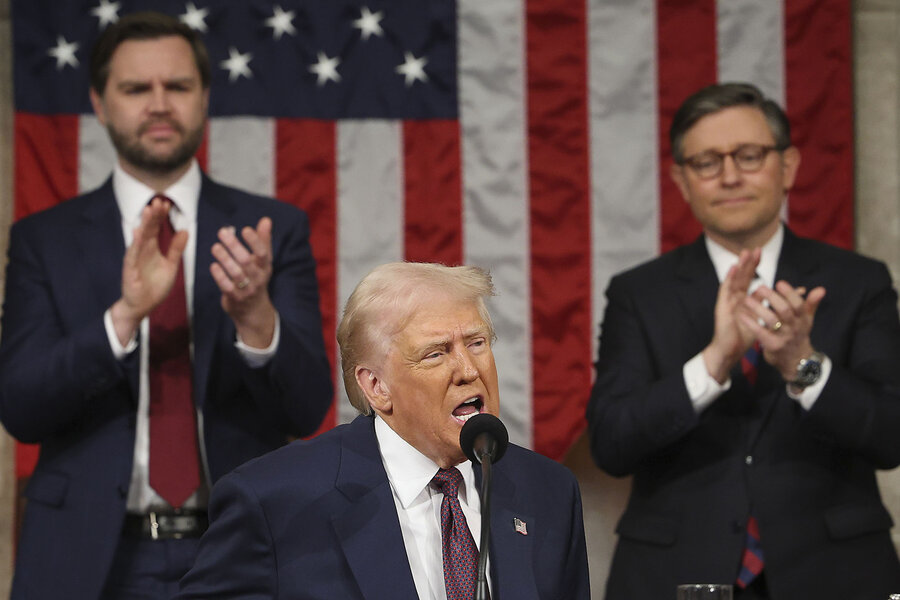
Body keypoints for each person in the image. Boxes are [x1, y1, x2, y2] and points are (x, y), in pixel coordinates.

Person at [0, 11, 333, 600]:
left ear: (204, 97)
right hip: (85, 559)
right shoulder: (42, 241)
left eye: (177, 86)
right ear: (100, 104)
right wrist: (123, 316)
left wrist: (256, 319)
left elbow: (307, 410)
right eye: (135, 88)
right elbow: (21, 407)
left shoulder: (270, 231)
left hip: (241, 550)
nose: (159, 104)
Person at [586, 82, 900, 600]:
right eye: (707, 162)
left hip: (834, 573)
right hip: (677, 574)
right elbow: (612, 443)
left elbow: (891, 436)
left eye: (749, 156)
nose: (730, 175)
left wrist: (804, 364)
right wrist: (712, 363)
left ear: (789, 166)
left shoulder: (857, 282)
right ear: (682, 181)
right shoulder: (639, 293)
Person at [177, 262, 591, 599]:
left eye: (478, 343)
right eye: (436, 353)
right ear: (376, 387)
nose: (469, 370)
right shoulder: (274, 501)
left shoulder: (548, 491)